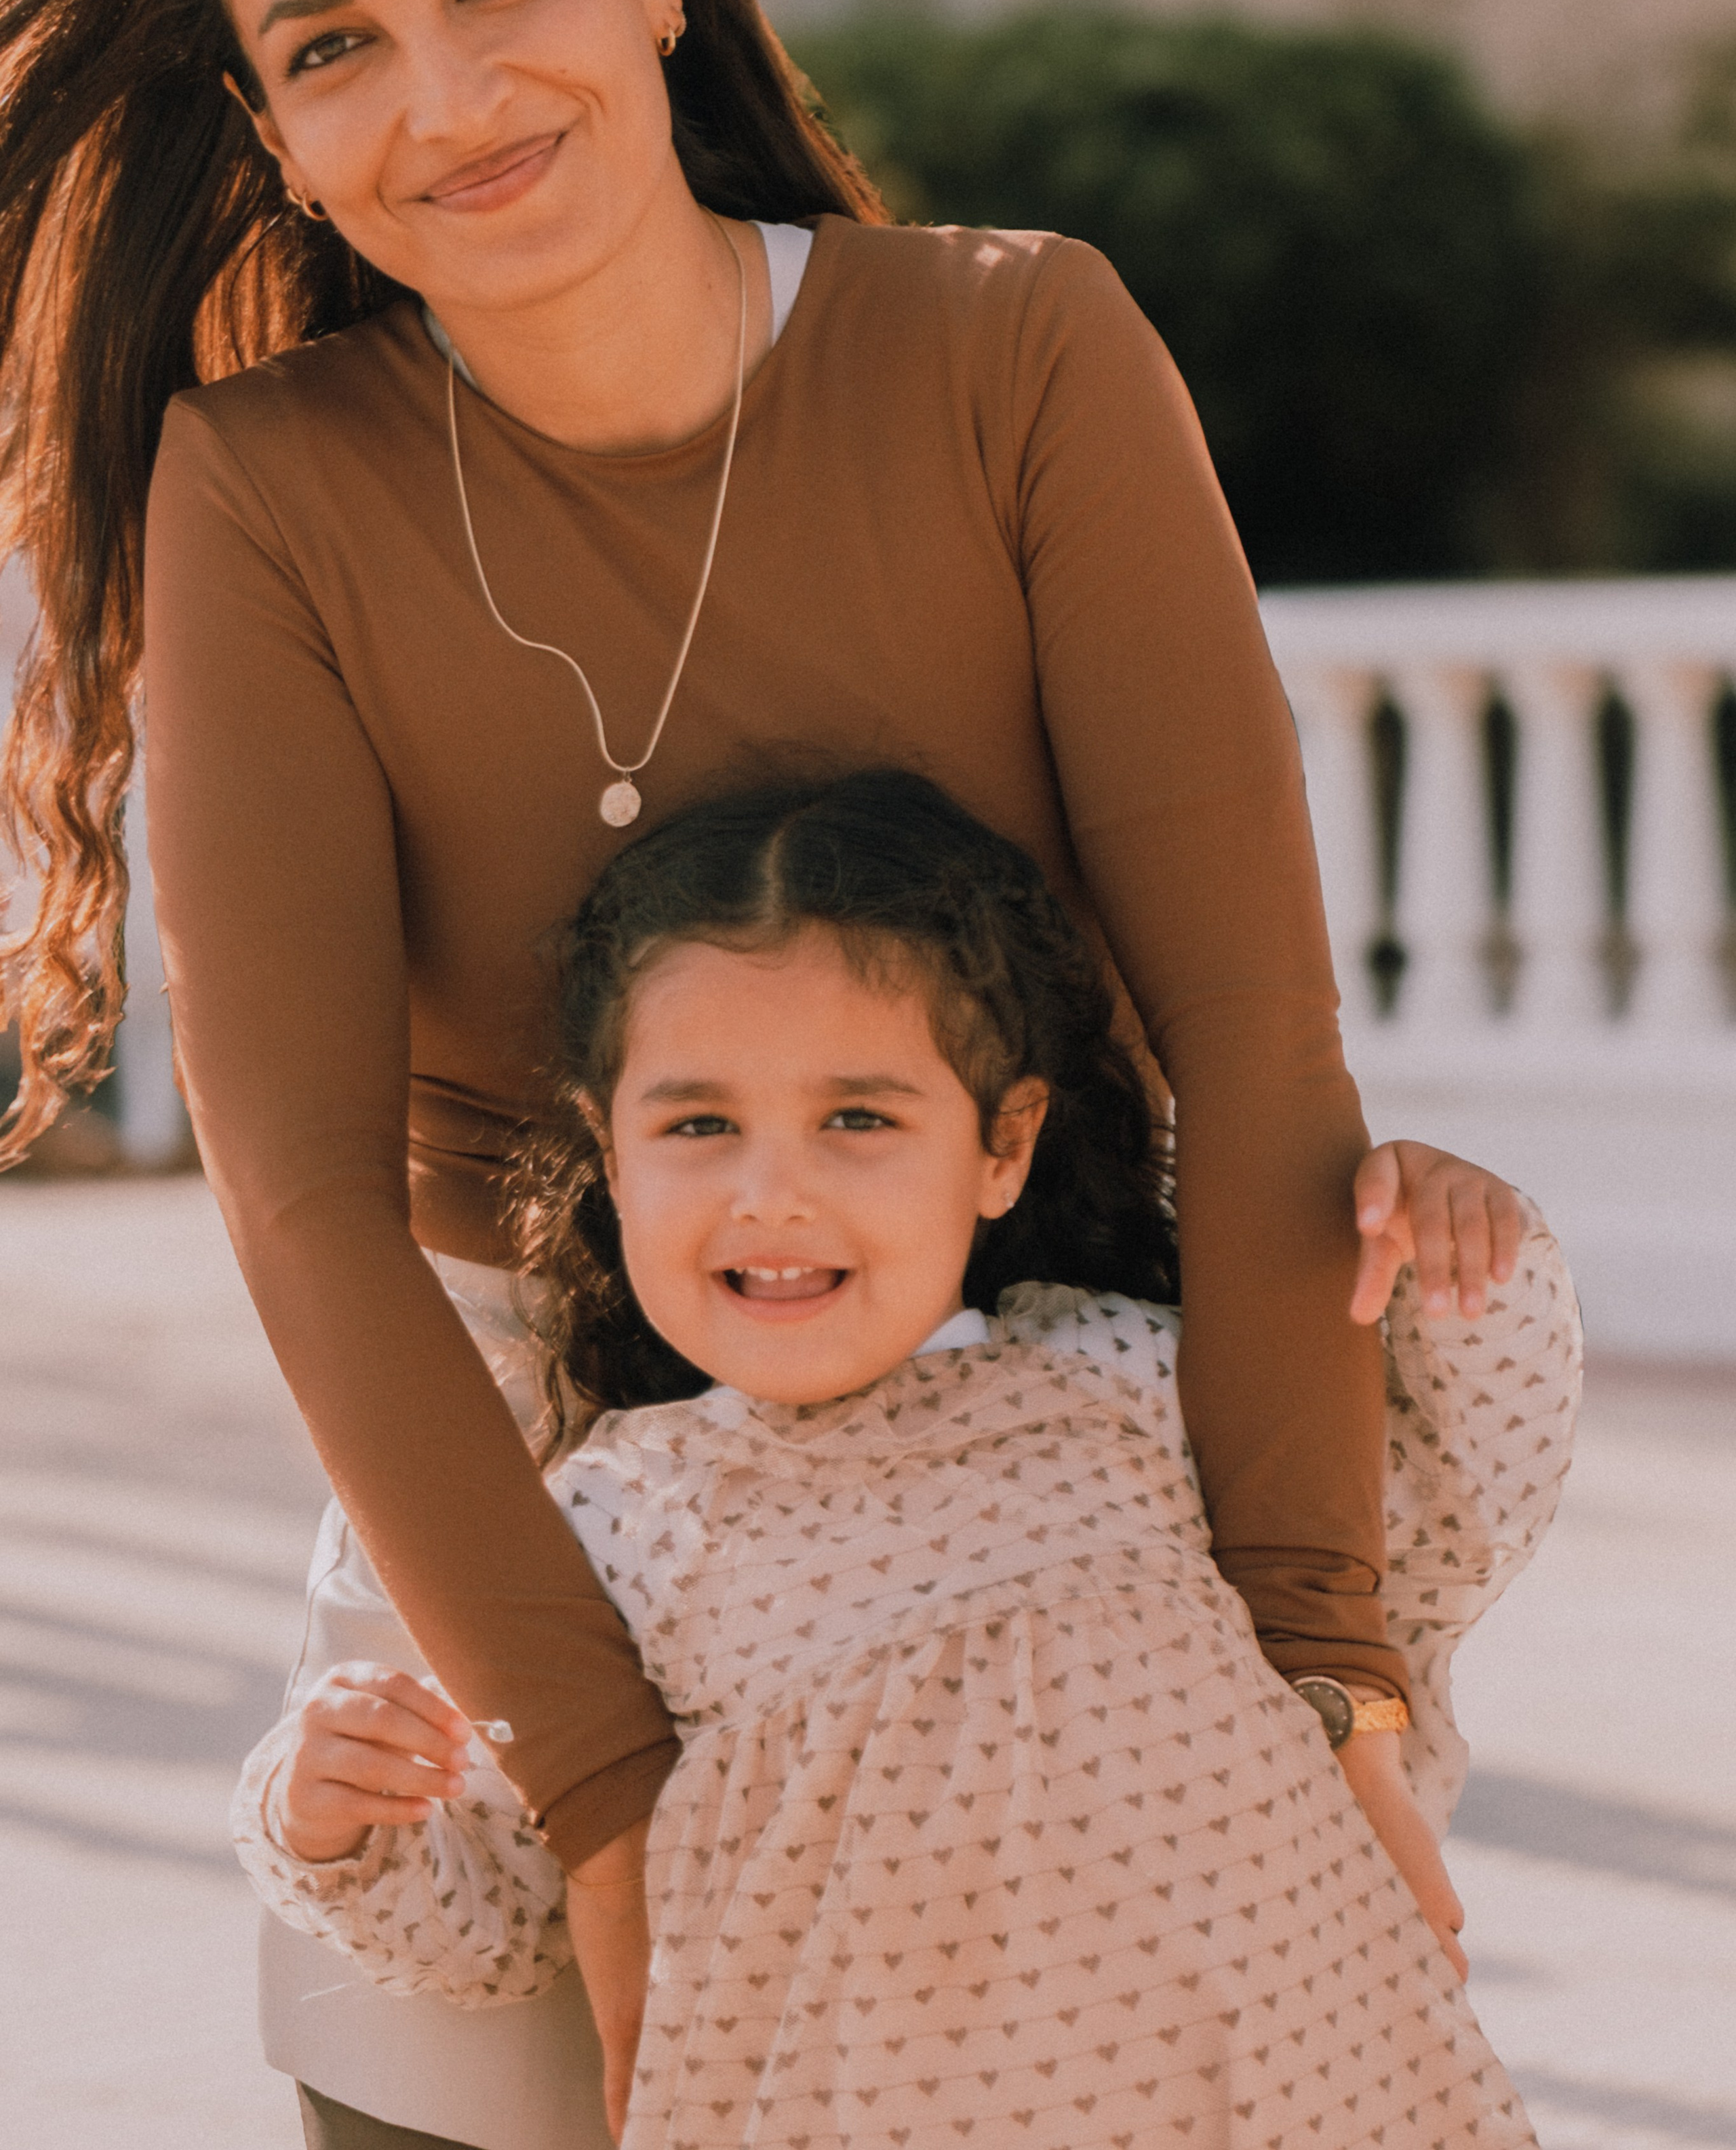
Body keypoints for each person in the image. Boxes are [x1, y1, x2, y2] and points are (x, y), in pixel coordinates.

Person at [0, 0, 1531, 2149]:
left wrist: (1312, 1685)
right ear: (275, 138)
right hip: (512, 1455)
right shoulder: (262, 485)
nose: (450, 95)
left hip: (1018, 1431)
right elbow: (303, 1204)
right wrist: (606, 1806)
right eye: (334, 45)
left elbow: (1258, 1038)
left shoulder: (1017, 347)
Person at [233, 771, 1579, 2150]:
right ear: (612, 1156)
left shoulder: (1133, 1380)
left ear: (1003, 1144)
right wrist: (332, 1819)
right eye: (698, 1125)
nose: (771, 1192)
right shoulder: (610, 1525)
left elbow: (1452, 1511)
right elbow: (503, 1923)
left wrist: (1461, 1264)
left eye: (858, 1119)